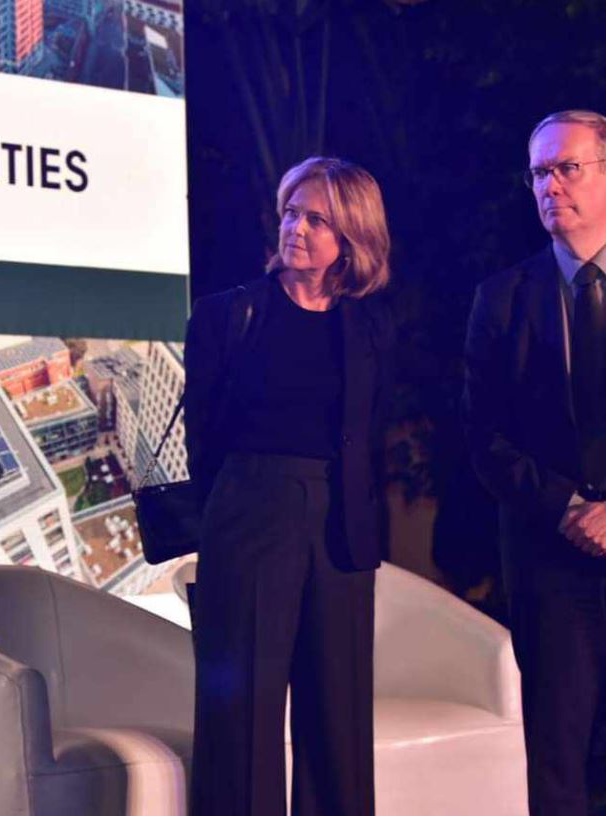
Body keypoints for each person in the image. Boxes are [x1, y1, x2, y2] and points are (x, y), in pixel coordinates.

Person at [184, 156, 394, 816]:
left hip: (340, 525)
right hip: (249, 512)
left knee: (340, 719)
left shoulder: (369, 327)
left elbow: (373, 435)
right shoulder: (226, 315)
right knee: (240, 722)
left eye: (316, 219)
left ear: (352, 236)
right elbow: (203, 436)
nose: (296, 228)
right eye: (291, 213)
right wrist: (228, 515)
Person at [463, 109, 606, 815]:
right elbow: (484, 437)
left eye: (567, 168)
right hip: (550, 561)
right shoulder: (502, 299)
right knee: (557, 763)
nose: (551, 186)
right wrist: (573, 508)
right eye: (539, 173)